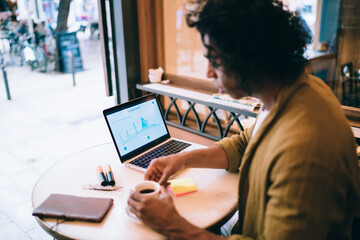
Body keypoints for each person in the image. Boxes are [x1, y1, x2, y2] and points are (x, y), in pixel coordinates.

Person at [128, 0, 360, 239]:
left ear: (248, 60)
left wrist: (172, 225)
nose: (208, 72)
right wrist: (181, 160)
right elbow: (243, 144)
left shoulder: (305, 151)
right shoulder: (291, 92)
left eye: (214, 60)